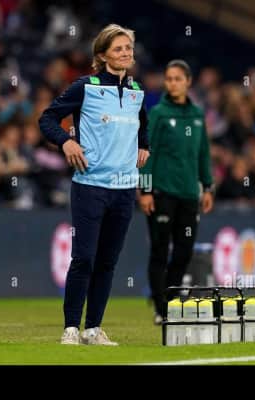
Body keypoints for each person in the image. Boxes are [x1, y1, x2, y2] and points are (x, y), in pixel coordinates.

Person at [38, 24, 150, 345]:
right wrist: (66, 142)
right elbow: (47, 118)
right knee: (84, 258)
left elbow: (142, 124)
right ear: (102, 55)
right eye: (118, 49)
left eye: (128, 48)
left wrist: (144, 145)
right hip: (90, 186)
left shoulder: (136, 91)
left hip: (125, 190)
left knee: (107, 263)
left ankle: (93, 329)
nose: (125, 53)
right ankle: (71, 328)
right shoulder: (85, 87)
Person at [139, 60, 214, 324]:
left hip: (189, 195)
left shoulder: (197, 115)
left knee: (184, 251)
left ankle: (170, 302)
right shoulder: (158, 113)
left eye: (177, 79)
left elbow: (203, 153)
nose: (172, 83)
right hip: (162, 193)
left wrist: (207, 186)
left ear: (188, 82)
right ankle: (161, 309)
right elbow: (147, 152)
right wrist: (145, 189)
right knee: (160, 250)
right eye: (169, 79)